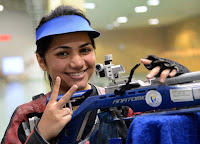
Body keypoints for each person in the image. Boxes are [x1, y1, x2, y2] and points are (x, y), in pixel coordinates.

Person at [1, 5, 189, 144]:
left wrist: (180, 82)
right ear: (41, 61)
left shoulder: (122, 104)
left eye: (85, 50)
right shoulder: (27, 116)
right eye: (63, 53)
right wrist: (40, 136)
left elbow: (177, 125)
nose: (77, 62)